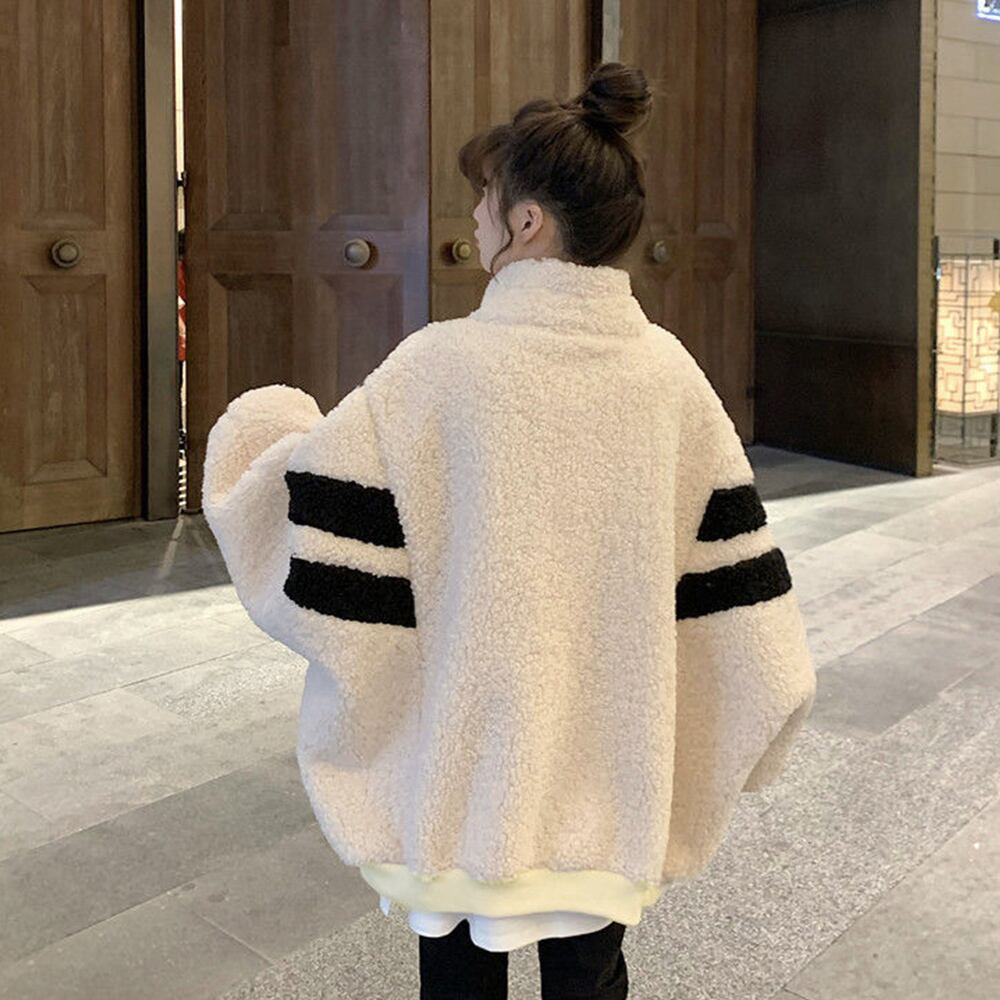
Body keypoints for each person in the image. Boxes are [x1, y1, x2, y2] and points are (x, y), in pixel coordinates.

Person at [201, 61, 816, 1000]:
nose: (476, 216)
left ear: (527, 221)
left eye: (485, 198)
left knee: (455, 979)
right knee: (592, 979)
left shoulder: (435, 369)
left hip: (461, 792)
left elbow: (315, 540)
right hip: (610, 782)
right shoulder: (670, 378)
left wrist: (263, 428)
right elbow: (737, 594)